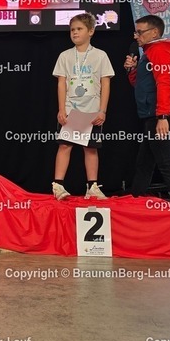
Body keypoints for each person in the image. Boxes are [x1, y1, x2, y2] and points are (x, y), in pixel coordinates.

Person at [52, 12, 115, 200]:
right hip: (71, 109)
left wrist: (102, 110)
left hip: (92, 111)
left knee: (91, 148)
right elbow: (61, 83)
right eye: (72, 29)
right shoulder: (65, 56)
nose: (75, 32)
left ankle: (92, 187)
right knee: (65, 146)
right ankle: (58, 186)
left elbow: (105, 83)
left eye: (79, 29)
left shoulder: (100, 55)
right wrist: (62, 109)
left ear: (91, 31)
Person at [124, 14, 170, 202]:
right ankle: (136, 200)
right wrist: (132, 70)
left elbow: (164, 84)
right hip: (154, 116)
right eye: (136, 32)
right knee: (145, 163)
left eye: (140, 32)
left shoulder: (159, 51)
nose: (136, 36)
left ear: (154, 33)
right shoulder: (150, 52)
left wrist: (163, 117)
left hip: (162, 117)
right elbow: (142, 86)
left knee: (167, 165)